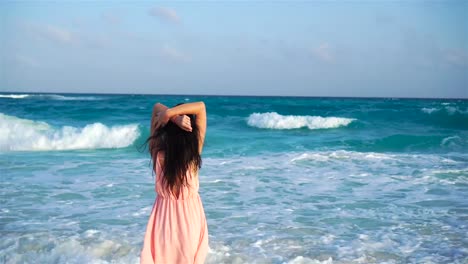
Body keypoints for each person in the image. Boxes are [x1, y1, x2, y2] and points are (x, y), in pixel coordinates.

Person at [140, 101, 208, 264]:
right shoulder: (193, 153)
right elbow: (201, 107)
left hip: (163, 222)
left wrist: (171, 116)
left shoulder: (157, 152)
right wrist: (173, 114)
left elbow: (156, 107)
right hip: (190, 222)